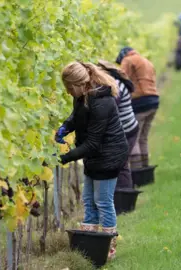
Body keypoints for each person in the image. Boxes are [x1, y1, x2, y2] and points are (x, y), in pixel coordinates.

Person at [55, 61, 128, 259]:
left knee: (103, 201)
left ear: (80, 84)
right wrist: (65, 127)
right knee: (88, 199)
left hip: (109, 155)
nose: (68, 92)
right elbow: (76, 116)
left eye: (70, 88)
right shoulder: (82, 96)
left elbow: (93, 143)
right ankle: (90, 245)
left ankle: (107, 249)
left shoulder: (101, 102)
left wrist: (64, 158)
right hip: (95, 155)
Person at [97, 60, 139, 189]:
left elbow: (109, 110)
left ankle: (124, 197)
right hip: (126, 130)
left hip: (126, 131)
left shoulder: (116, 86)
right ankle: (122, 196)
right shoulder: (112, 84)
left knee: (120, 165)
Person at [116, 47, 159, 169]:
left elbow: (122, 79)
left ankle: (136, 170)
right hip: (154, 100)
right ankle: (145, 167)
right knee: (143, 137)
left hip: (140, 101)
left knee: (133, 135)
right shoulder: (146, 61)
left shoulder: (127, 60)